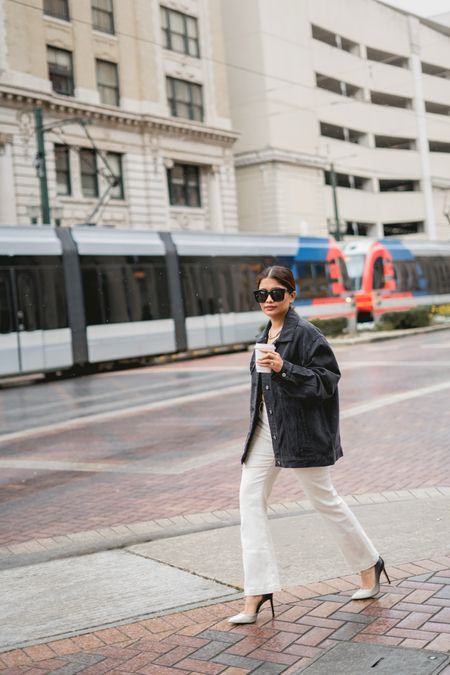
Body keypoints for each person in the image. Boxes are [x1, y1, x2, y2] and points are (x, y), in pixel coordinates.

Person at [228, 265, 390, 625]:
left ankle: (369, 564)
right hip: (264, 434)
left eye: (276, 293)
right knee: (249, 503)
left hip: (301, 433)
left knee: (324, 500)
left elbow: (327, 380)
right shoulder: (264, 334)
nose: (268, 300)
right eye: (262, 294)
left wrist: (285, 367)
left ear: (291, 295)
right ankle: (257, 590)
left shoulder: (306, 334)